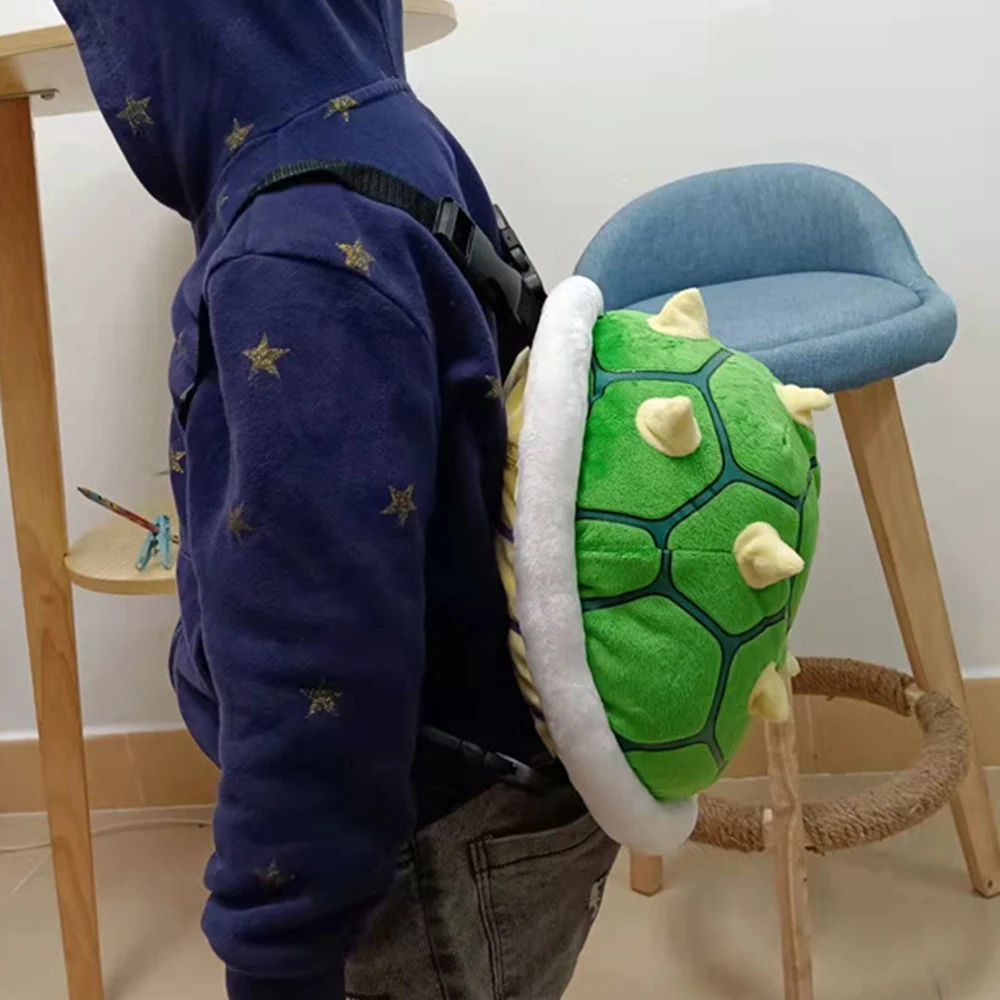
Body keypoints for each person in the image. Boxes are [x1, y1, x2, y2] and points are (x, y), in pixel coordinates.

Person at [53, 1, 620, 997]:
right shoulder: (391, 134)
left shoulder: (289, 260)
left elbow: (317, 665)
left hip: (424, 855)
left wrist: (277, 950)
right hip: (507, 781)